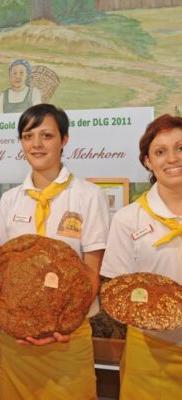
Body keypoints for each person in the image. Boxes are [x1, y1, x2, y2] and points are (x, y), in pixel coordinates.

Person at [0, 103, 110, 400]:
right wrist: (11, 322)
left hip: (68, 338)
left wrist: (66, 325)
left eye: (47, 135)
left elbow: (91, 271)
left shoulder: (88, 196)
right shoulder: (9, 200)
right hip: (16, 341)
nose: (37, 144)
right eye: (28, 136)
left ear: (64, 140)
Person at [101, 114, 182, 399]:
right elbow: (117, 291)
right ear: (148, 161)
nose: (173, 158)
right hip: (149, 352)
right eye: (160, 152)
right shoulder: (128, 219)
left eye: (180, 148)